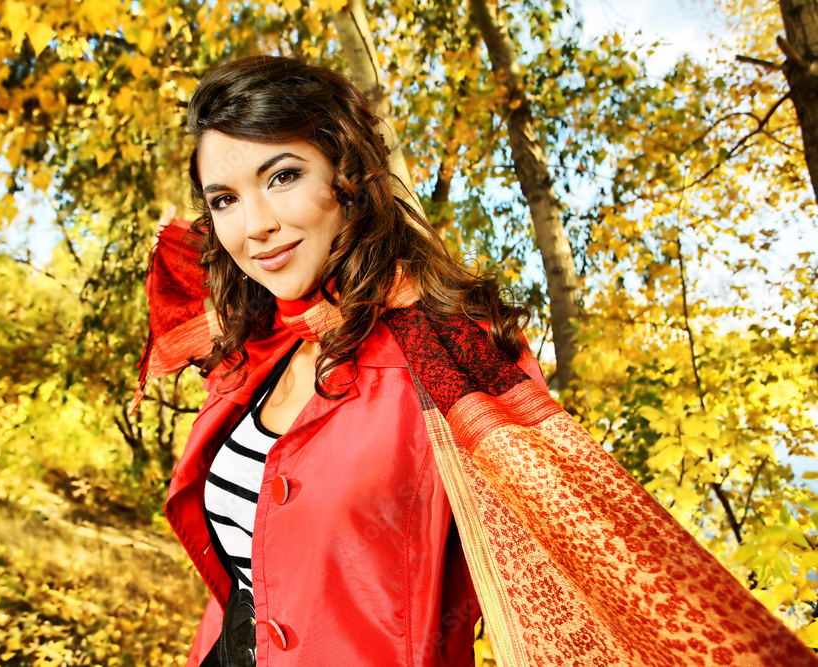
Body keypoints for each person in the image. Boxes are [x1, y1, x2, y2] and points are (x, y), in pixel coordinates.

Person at [131, 56, 818, 667]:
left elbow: (594, 552)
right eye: (225, 199)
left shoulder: (443, 350)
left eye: (283, 176)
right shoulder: (261, 344)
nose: (254, 225)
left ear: (348, 176)